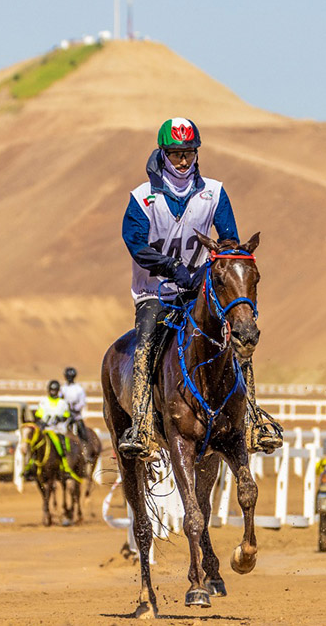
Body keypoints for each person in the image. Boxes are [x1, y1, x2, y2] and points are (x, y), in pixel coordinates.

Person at [117, 118, 282, 461]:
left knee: (237, 337)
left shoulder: (214, 193)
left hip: (201, 290)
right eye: (176, 153)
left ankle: (252, 420)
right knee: (146, 341)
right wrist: (175, 269)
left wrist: (218, 268)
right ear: (163, 153)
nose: (183, 161)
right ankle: (142, 426)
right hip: (155, 293)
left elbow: (229, 240)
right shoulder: (141, 198)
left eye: (189, 153)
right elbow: (135, 244)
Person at [60, 366, 90, 442]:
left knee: (83, 433)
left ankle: (85, 445)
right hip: (65, 415)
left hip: (76, 416)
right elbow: (60, 400)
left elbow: (82, 402)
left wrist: (74, 408)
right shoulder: (62, 388)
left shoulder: (78, 389)